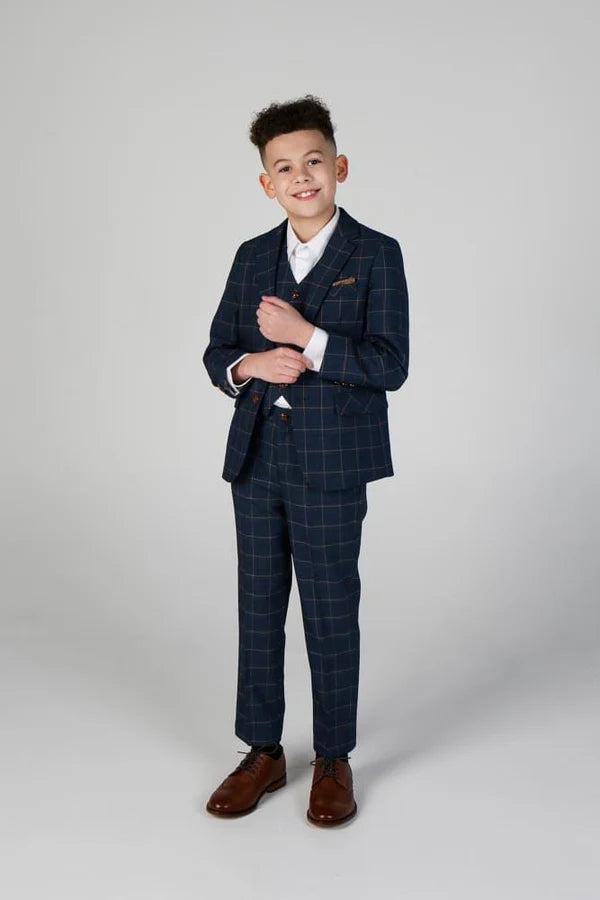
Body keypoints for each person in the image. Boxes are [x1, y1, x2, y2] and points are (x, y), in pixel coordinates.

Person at [202, 94, 409, 826]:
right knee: (257, 609)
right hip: (258, 458)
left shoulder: (375, 253)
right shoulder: (251, 255)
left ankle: (333, 757)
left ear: (339, 167)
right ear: (266, 183)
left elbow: (390, 364)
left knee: (329, 612)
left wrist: (308, 339)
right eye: (283, 167)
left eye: (313, 161)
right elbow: (216, 353)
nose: (301, 176)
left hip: (332, 463)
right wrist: (253, 362)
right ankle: (262, 750)